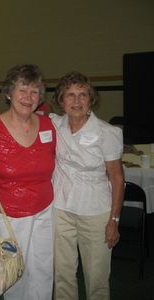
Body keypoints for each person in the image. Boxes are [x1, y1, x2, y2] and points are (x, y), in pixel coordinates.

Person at [0, 64, 56, 300]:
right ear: (8, 93)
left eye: (34, 92)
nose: (28, 97)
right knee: (15, 274)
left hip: (45, 208)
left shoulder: (47, 125)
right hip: (11, 215)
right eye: (22, 90)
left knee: (44, 270)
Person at [51, 71, 124, 300]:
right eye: (70, 95)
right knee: (62, 273)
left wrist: (114, 220)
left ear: (91, 99)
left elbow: (117, 179)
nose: (76, 101)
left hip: (96, 211)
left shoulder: (107, 132)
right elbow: (19, 116)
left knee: (97, 277)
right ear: (61, 101)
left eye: (82, 95)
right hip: (61, 208)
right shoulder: (53, 124)